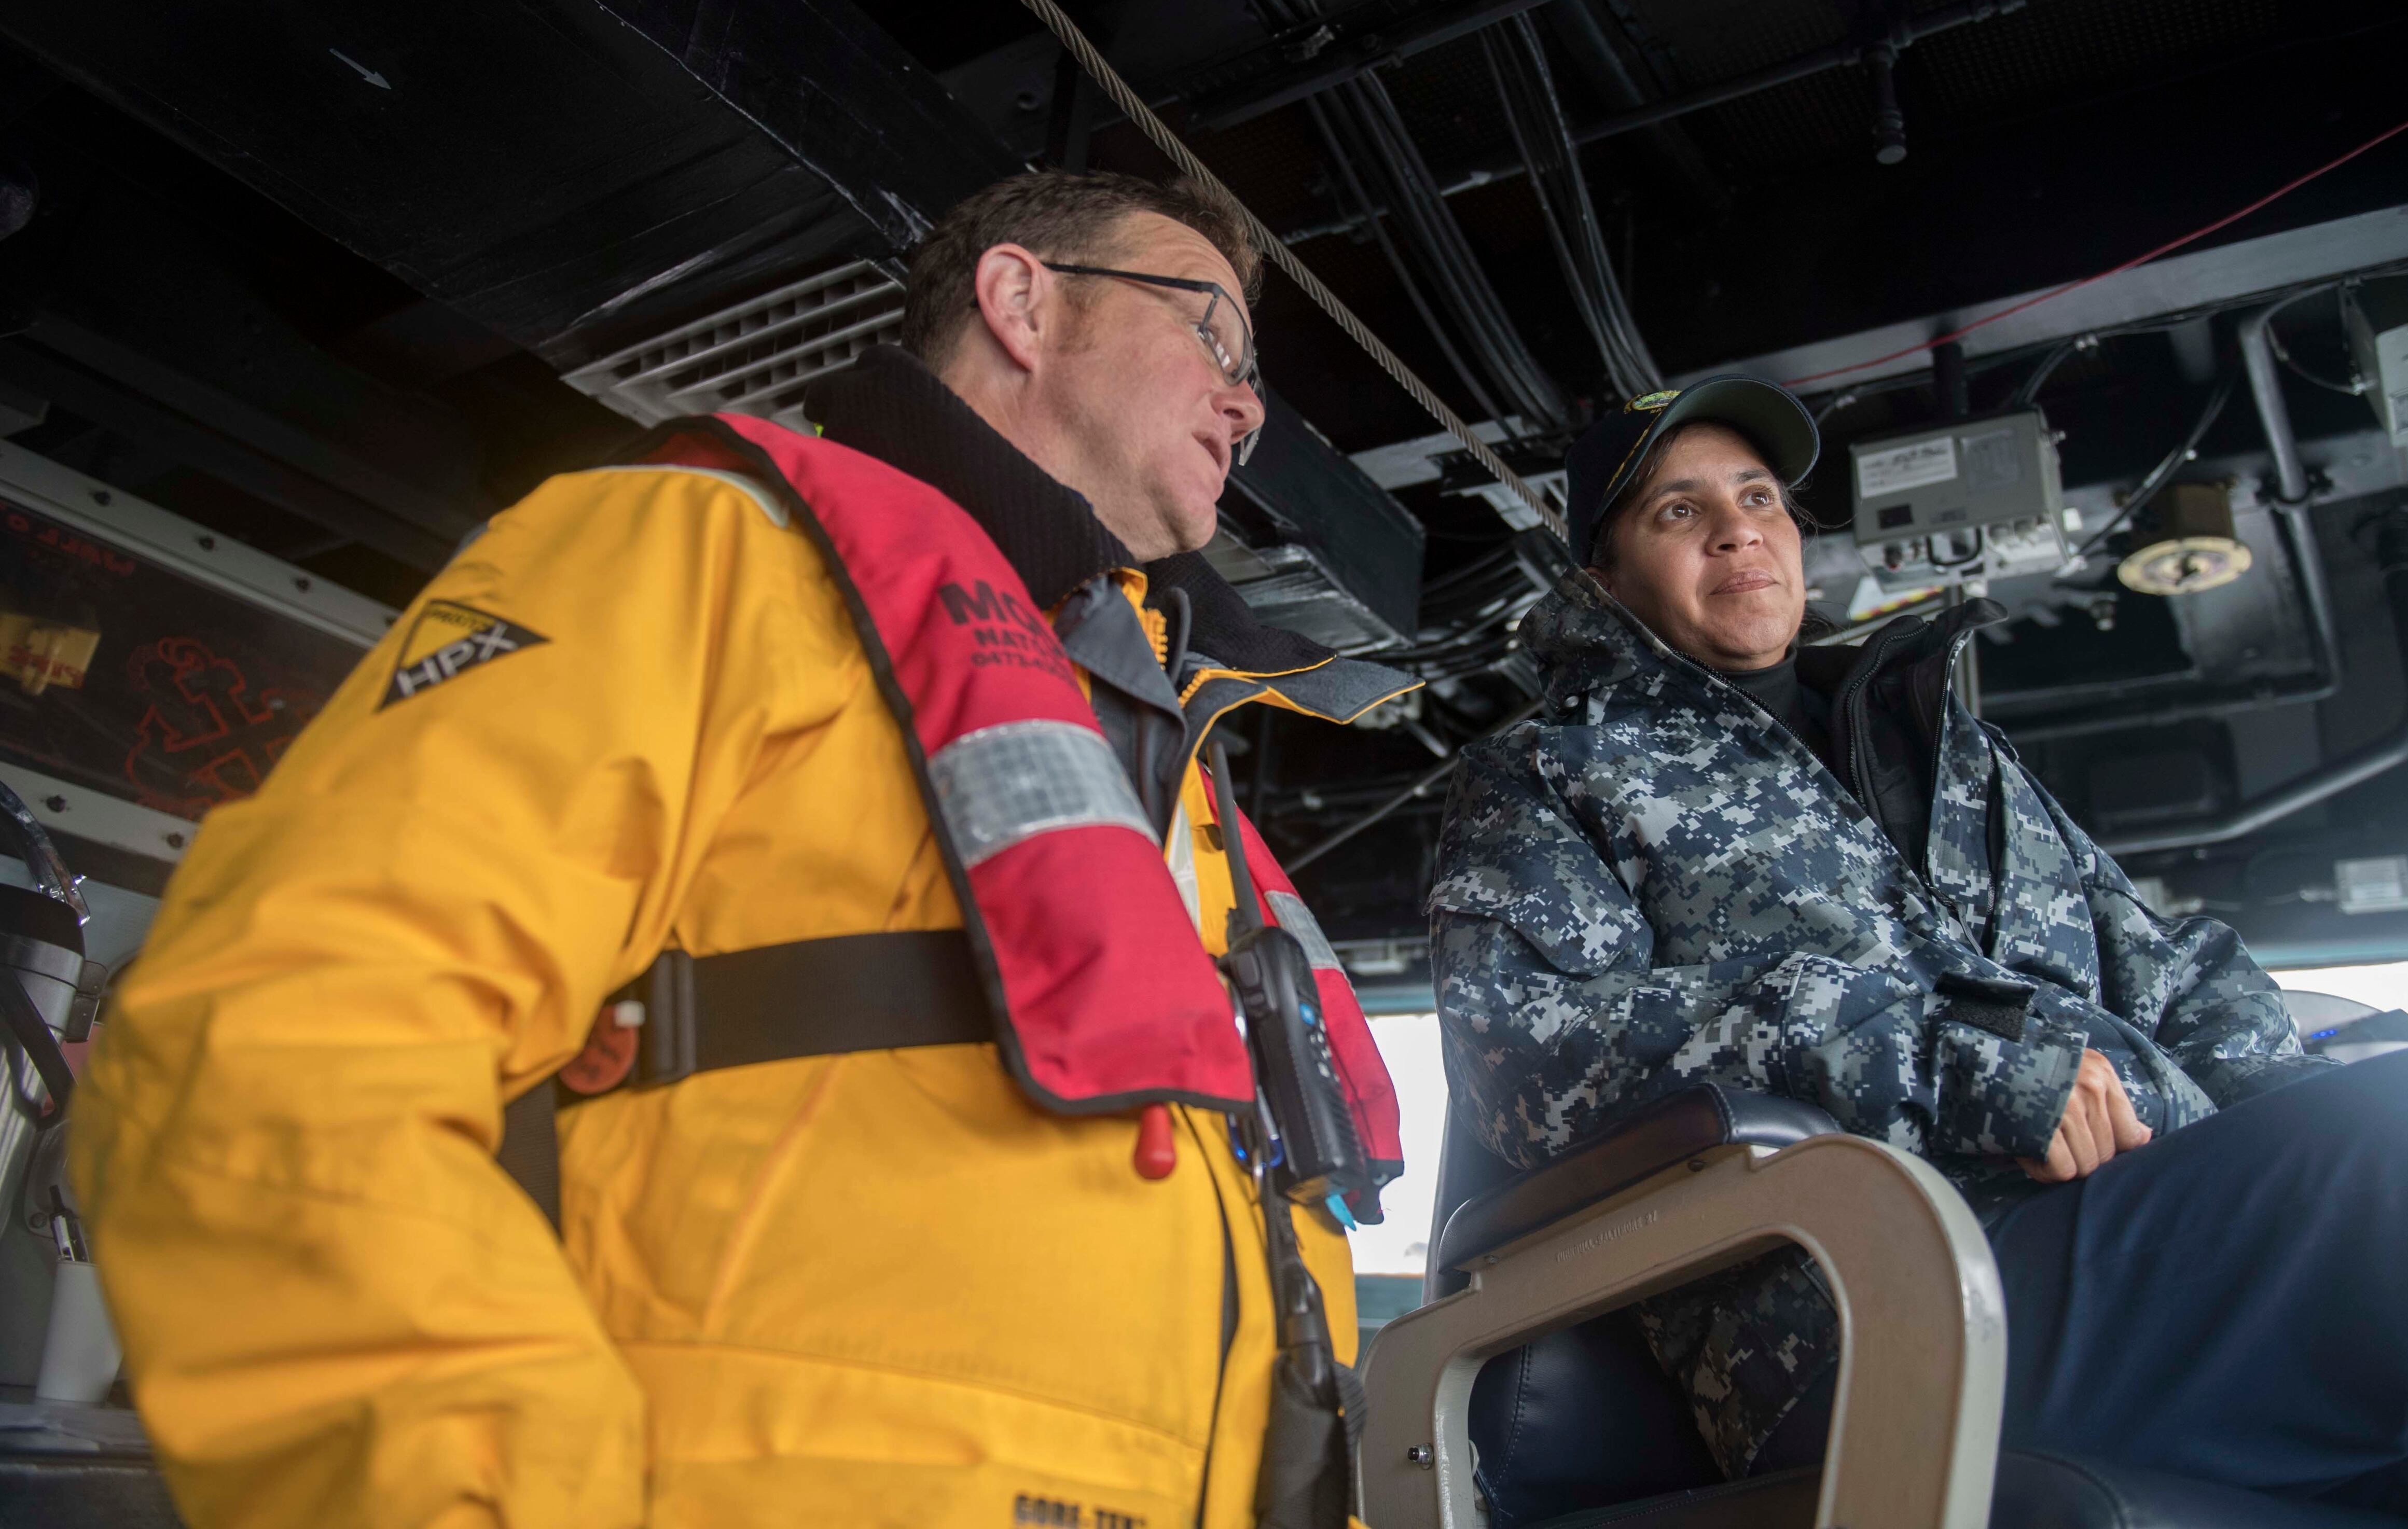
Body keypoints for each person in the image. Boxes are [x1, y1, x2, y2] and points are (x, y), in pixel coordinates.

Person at [70, 170, 1413, 1529]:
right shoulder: (709, 548)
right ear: (1021, 301)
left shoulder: (1163, 766)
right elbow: (288, 1035)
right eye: (1212, 334)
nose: (1248, 403)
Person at [1426, 376, 2408, 1528]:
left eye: (1760, 495)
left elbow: (2168, 967)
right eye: (1678, 511)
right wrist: (1956, 1065)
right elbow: (1533, 1059)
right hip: (1879, 1293)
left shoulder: (1943, 744)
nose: (1740, 526)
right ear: (1603, 576)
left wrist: (2286, 1132)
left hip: (2145, 1223)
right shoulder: (1545, 774)